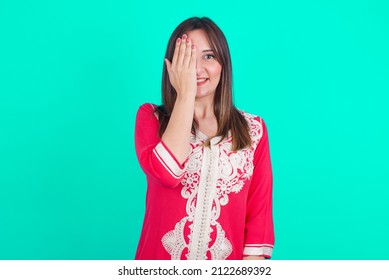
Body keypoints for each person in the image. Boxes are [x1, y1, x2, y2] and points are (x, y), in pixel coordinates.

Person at [134, 17, 274, 260]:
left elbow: (258, 226)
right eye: (187, 57)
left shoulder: (254, 130)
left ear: (223, 64)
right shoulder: (151, 118)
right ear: (171, 66)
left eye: (208, 56)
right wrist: (186, 92)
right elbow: (168, 173)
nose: (197, 69)